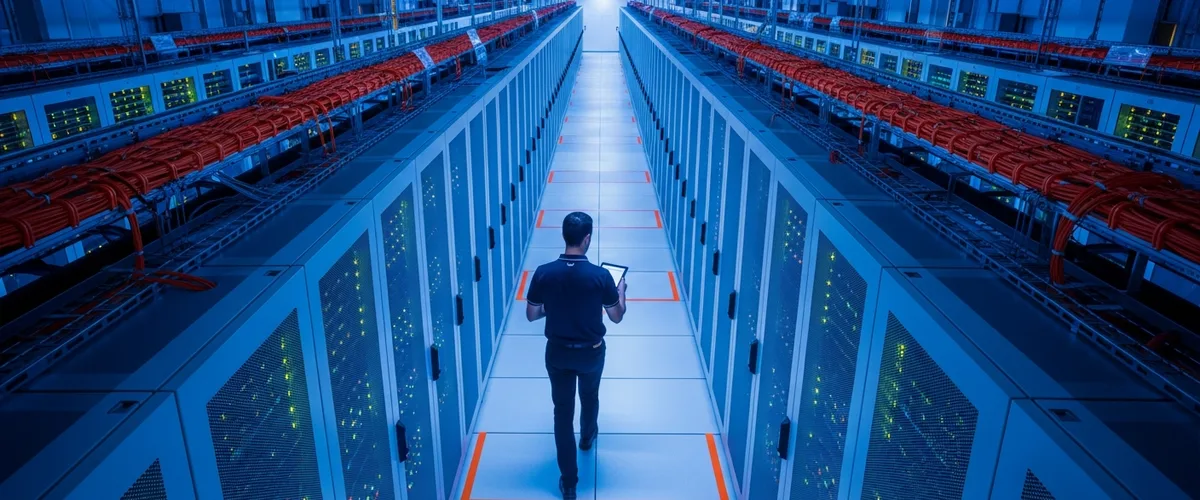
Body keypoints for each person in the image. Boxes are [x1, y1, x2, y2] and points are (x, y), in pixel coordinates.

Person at [525, 211, 627, 500]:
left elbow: (532, 313)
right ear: (587, 239)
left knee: (561, 412)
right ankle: (586, 436)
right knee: (590, 395)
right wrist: (622, 293)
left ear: (564, 236)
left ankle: (569, 482)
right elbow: (616, 316)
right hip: (591, 353)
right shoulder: (601, 276)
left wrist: (553, 306)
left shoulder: (544, 272)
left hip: (557, 353)